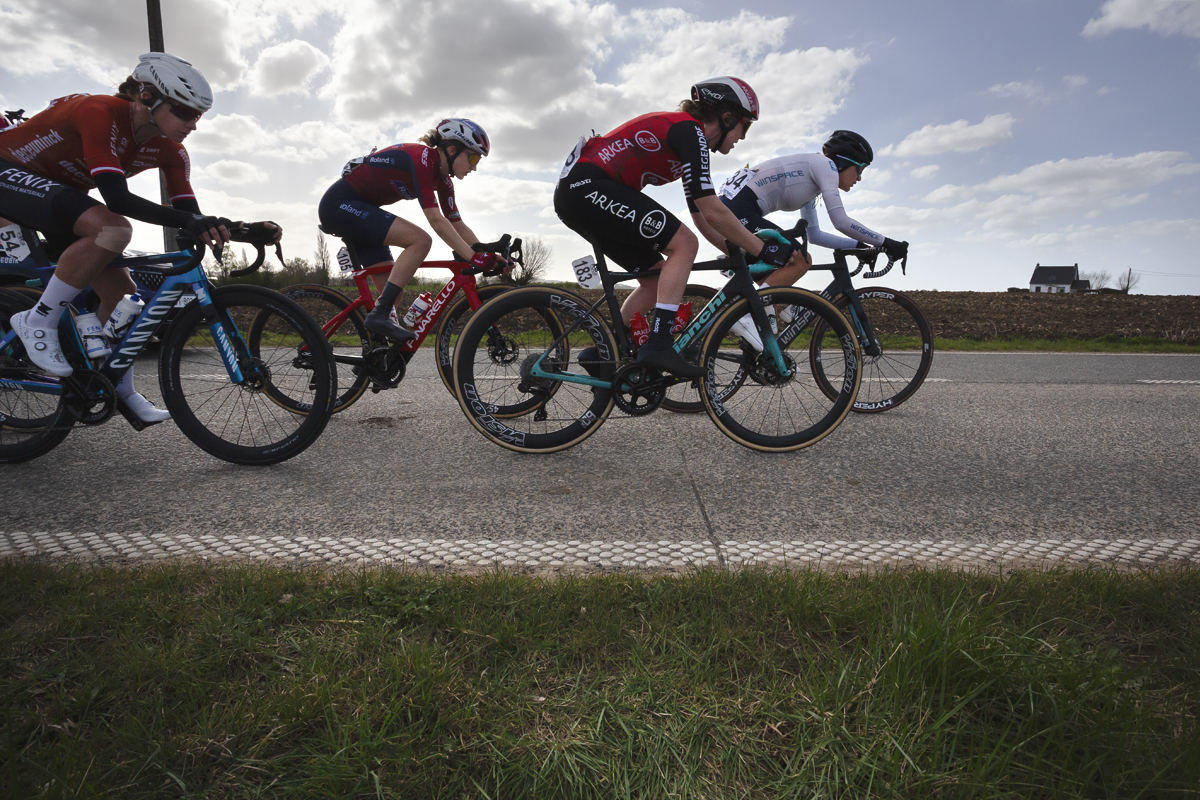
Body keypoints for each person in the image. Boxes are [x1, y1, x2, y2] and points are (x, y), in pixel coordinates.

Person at [0, 53, 270, 422]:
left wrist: (240, 228)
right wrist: (193, 221)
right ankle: (38, 320)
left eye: (198, 115)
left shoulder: (171, 150)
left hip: (57, 190)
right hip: (9, 169)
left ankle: (119, 389)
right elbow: (117, 199)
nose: (192, 123)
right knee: (114, 227)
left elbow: (189, 214)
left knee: (123, 295)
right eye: (183, 112)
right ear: (146, 97)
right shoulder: (99, 111)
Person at [554, 76, 794, 378]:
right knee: (685, 244)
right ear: (727, 117)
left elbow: (702, 215)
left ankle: (607, 350)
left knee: (655, 280)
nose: (743, 137)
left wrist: (738, 252)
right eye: (745, 126)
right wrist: (761, 249)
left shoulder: (687, 139)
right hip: (588, 186)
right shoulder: (689, 130)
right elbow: (712, 209)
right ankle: (659, 345)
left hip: (580, 192)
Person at [318, 119, 504, 341]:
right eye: (473, 158)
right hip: (339, 204)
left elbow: (456, 223)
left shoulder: (444, 182)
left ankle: (374, 355)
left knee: (393, 295)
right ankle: (378, 315)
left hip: (361, 212)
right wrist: (473, 257)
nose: (474, 167)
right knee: (420, 240)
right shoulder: (423, 160)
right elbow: (435, 219)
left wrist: (487, 255)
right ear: (452, 149)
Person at [716, 129, 909, 290]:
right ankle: (749, 316)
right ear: (843, 163)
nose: (859, 178)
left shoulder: (811, 180)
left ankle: (756, 320)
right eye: (861, 169)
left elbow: (815, 235)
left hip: (734, 209)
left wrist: (859, 247)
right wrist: (886, 242)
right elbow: (840, 221)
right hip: (737, 210)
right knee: (801, 260)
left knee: (778, 282)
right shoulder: (825, 166)